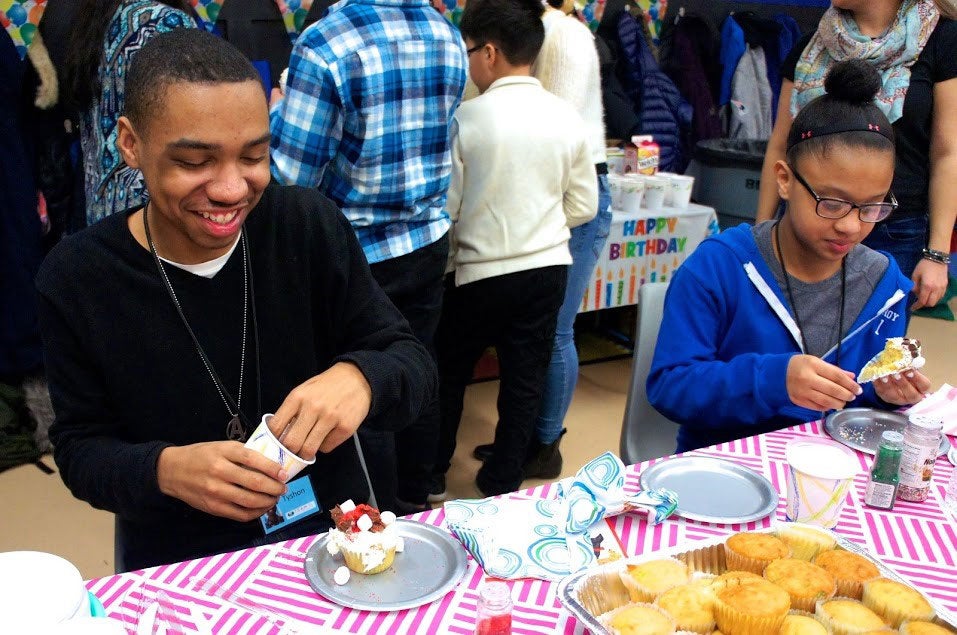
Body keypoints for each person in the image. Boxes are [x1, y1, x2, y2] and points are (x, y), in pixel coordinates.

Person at [36, 29, 436, 572]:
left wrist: (361, 377)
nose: (230, 189)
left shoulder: (304, 226)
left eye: (254, 156)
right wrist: (165, 469)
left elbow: (410, 363)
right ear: (130, 143)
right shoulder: (78, 278)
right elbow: (81, 451)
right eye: (195, 162)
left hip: (329, 546)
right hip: (177, 561)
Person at [648, 60, 932, 453]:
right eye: (832, 203)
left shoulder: (885, 285)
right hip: (728, 463)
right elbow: (671, 386)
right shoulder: (719, 267)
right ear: (784, 179)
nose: (851, 226)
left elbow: (859, 400)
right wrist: (773, 379)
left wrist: (890, 395)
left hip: (831, 470)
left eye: (873, 207)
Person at [268, 0, 468, 514]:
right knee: (416, 363)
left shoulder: (326, 42)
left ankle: (377, 513)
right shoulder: (444, 31)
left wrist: (274, 110)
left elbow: (290, 177)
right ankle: (418, 496)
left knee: (361, 381)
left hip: (354, 246)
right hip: (425, 236)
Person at [430, 0, 598, 496]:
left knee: (451, 373)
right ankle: (502, 478)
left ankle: (433, 475)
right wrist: (540, 226)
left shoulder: (468, 117)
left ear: (489, 53)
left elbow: (450, 207)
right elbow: (585, 204)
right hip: (546, 269)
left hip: (477, 274)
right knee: (525, 378)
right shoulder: (566, 117)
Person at [756, 0, 957, 312]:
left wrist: (937, 254)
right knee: (793, 337)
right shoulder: (812, 46)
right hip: (809, 223)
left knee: (875, 349)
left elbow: (947, 153)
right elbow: (780, 146)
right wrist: (762, 235)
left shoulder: (941, 39)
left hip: (894, 227)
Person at [64, 0, 196, 227]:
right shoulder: (164, 23)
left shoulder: (97, 20)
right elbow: (194, 119)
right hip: (154, 211)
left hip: (102, 211)